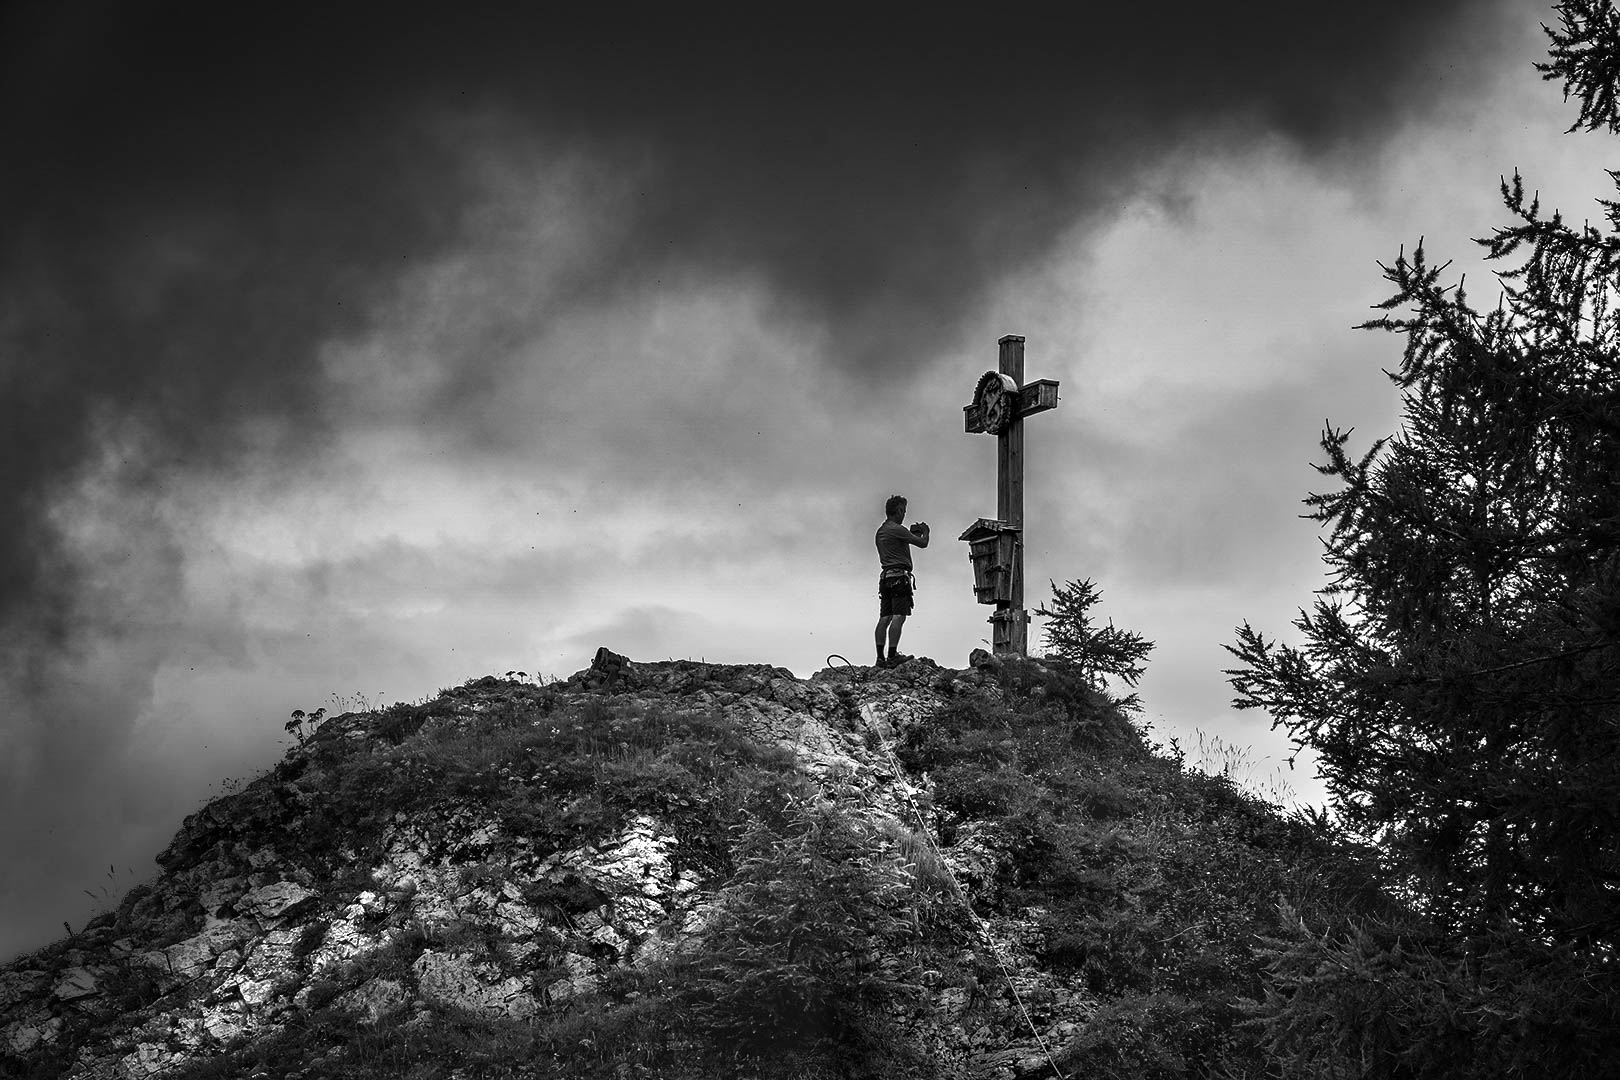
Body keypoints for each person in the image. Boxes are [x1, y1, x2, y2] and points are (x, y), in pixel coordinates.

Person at [875, 494, 929, 667]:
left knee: (885, 617)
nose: (904, 514)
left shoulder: (882, 531)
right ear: (898, 510)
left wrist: (909, 533)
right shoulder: (897, 529)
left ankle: (880, 657)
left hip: (885, 577)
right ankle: (892, 655)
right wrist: (925, 532)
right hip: (899, 577)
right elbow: (922, 543)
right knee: (899, 616)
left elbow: (899, 542)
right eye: (903, 511)